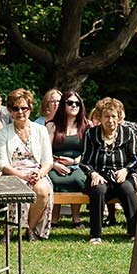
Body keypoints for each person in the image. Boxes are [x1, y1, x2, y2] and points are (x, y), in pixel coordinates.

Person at [79, 97, 137, 244]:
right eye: (106, 116)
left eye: (114, 116)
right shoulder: (91, 134)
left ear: (119, 117)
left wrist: (125, 170)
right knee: (98, 190)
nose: (110, 120)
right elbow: (84, 162)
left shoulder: (128, 133)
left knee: (127, 188)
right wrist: (93, 173)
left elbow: (135, 159)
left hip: (122, 174)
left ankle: (135, 232)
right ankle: (95, 235)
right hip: (99, 175)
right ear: (100, 117)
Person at [0, 89, 54, 240]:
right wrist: (23, 175)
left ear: (30, 108)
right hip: (14, 173)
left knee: (42, 190)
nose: (20, 112)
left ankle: (30, 229)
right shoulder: (3, 133)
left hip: (36, 172)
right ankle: (10, 230)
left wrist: (39, 174)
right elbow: (3, 164)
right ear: (10, 110)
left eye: (24, 108)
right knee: (16, 188)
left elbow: (48, 161)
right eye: (15, 108)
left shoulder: (41, 130)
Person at [47, 91, 89, 226]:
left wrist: (75, 161)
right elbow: (45, 151)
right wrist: (54, 164)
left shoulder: (87, 126)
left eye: (77, 103)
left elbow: (90, 151)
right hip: (55, 164)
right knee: (54, 180)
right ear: (63, 105)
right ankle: (54, 218)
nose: (74, 106)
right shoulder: (52, 126)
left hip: (79, 164)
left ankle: (76, 218)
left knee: (78, 179)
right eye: (70, 103)